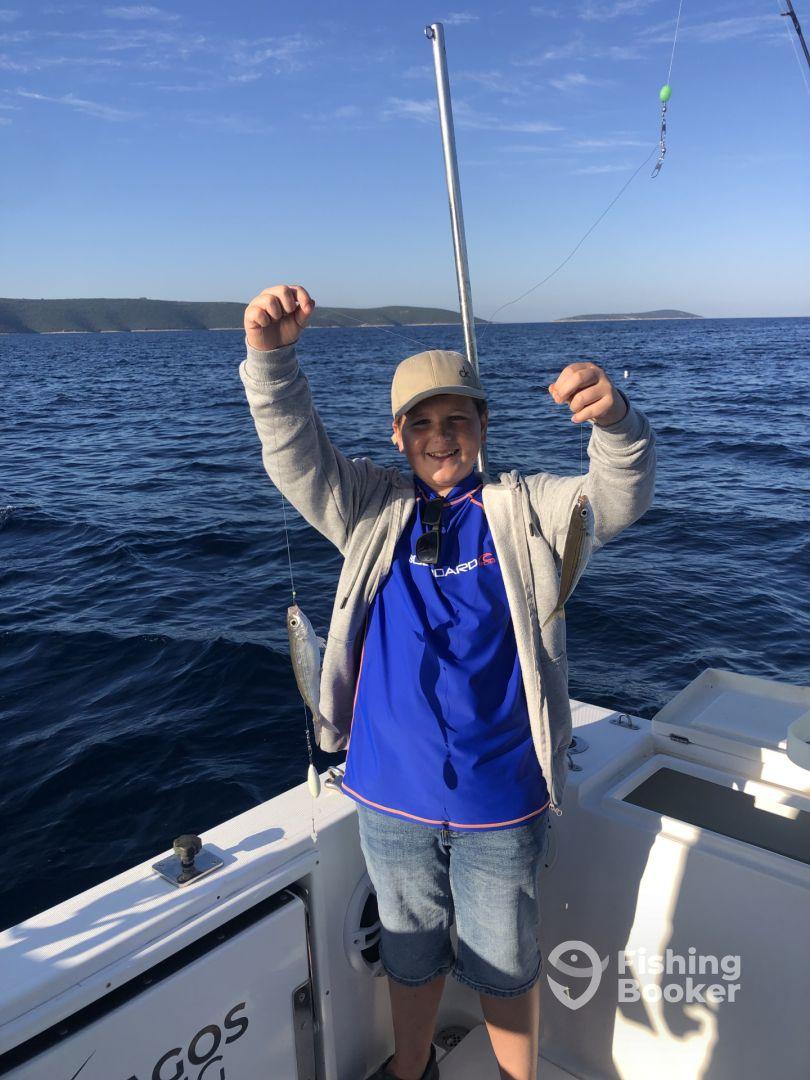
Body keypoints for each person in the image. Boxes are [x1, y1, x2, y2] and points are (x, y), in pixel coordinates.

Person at [239, 284, 656, 1080]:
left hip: (503, 798)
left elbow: (616, 500)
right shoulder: (367, 506)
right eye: (422, 423)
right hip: (387, 794)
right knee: (409, 954)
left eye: (457, 420)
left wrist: (616, 425)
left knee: (506, 964)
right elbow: (293, 450)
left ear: (483, 428)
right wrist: (270, 358)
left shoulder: (526, 508)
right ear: (398, 435)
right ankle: (411, 1071)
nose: (440, 438)